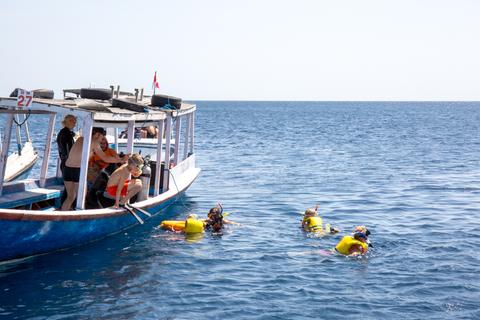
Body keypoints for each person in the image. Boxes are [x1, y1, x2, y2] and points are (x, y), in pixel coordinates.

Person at [61, 127, 127, 211]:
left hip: (67, 169)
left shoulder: (80, 139)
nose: (101, 140)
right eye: (101, 137)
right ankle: (81, 215)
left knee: (70, 196)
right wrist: (121, 160)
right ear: (97, 134)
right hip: (77, 170)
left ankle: (63, 213)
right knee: (82, 196)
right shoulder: (94, 142)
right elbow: (105, 158)